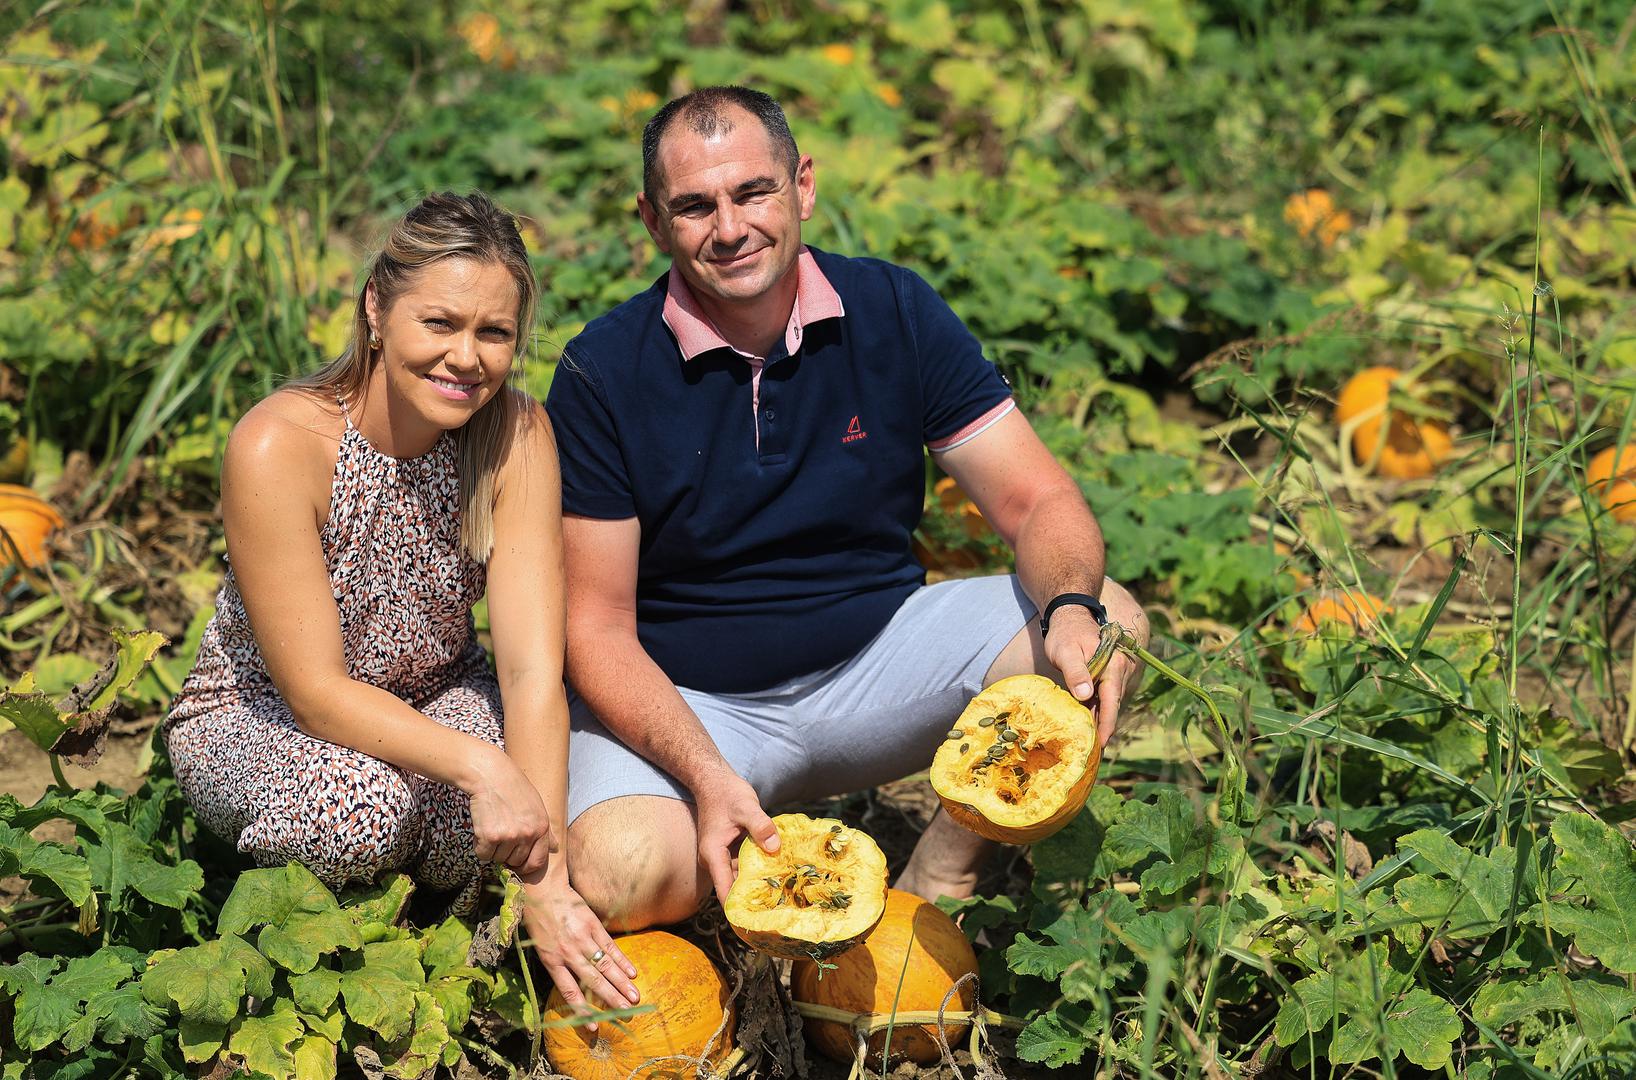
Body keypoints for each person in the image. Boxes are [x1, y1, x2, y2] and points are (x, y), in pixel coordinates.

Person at [545, 87, 1149, 931]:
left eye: (753, 191)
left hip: (876, 665)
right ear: (652, 222)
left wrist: (1073, 607)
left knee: (1105, 618)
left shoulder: (893, 311)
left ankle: (941, 872)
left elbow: (1037, 498)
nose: (729, 227)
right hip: (692, 703)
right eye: (694, 206)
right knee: (621, 873)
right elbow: (596, 627)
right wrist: (708, 771)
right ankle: (733, 869)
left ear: (803, 186)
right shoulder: (603, 371)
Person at [164, 192, 639, 1021]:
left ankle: (435, 934)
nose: (467, 358)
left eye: (494, 334)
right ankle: (309, 942)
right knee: (361, 807)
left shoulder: (515, 435)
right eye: (441, 324)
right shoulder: (281, 444)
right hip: (264, 713)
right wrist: (486, 767)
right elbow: (314, 691)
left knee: (500, 826)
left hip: (435, 696)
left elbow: (531, 671)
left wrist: (546, 875)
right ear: (377, 310)